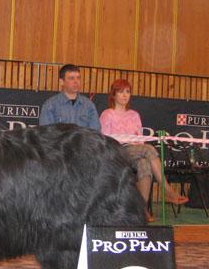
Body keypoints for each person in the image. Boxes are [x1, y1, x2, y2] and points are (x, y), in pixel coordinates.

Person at [100, 79, 188, 222]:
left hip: (135, 150)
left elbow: (139, 137)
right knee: (149, 150)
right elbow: (107, 141)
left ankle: (141, 209)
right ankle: (168, 191)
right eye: (121, 92)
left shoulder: (134, 115)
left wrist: (136, 144)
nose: (124, 95)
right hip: (117, 151)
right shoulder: (107, 114)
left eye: (127, 92)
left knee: (144, 164)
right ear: (113, 95)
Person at [39, 64, 101, 131]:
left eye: (78, 78)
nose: (76, 81)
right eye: (71, 78)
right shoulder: (50, 105)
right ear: (61, 82)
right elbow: (45, 135)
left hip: (83, 141)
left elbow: (95, 133)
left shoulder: (89, 105)